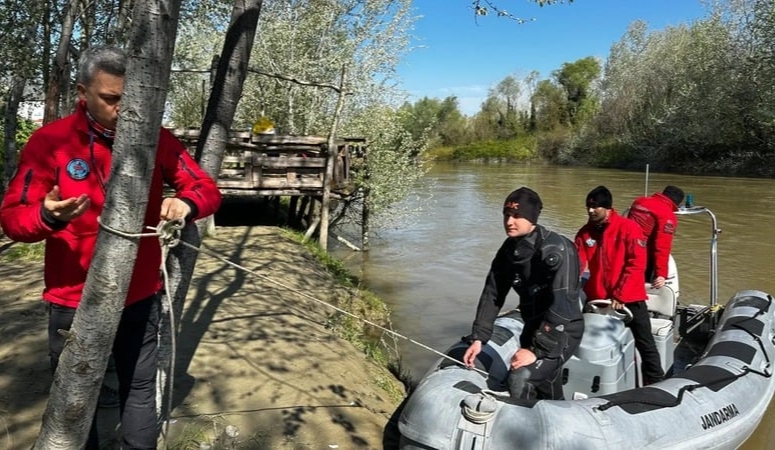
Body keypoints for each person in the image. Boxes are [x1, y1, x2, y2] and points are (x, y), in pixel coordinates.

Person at [0, 45, 222, 449]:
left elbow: (206, 188)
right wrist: (47, 217)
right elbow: (13, 218)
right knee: (74, 400)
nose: (123, 110)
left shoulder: (156, 138)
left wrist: (186, 203)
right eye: (111, 99)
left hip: (140, 296)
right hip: (73, 300)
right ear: (82, 93)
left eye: (131, 99)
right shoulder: (50, 141)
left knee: (138, 390)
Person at [462, 187, 584, 400]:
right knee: (547, 387)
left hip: (561, 331)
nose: (509, 221)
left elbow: (562, 308)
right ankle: (555, 421)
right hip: (532, 325)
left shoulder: (557, 249)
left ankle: (522, 432)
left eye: (517, 216)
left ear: (532, 218)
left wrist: (536, 351)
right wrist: (479, 338)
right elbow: (493, 292)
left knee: (521, 378)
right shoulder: (509, 250)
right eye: (507, 215)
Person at [574, 186, 664, 385]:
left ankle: (656, 382)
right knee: (585, 343)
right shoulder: (584, 234)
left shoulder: (628, 228)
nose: (590, 211)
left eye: (595, 206)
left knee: (646, 344)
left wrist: (620, 296)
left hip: (629, 298)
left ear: (608, 208)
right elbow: (577, 265)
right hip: (598, 301)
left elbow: (636, 264)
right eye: (588, 206)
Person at [627, 186, 685, 288]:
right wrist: (661, 274)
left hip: (623, 249)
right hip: (641, 256)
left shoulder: (639, 201)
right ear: (677, 203)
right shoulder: (667, 215)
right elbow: (662, 246)